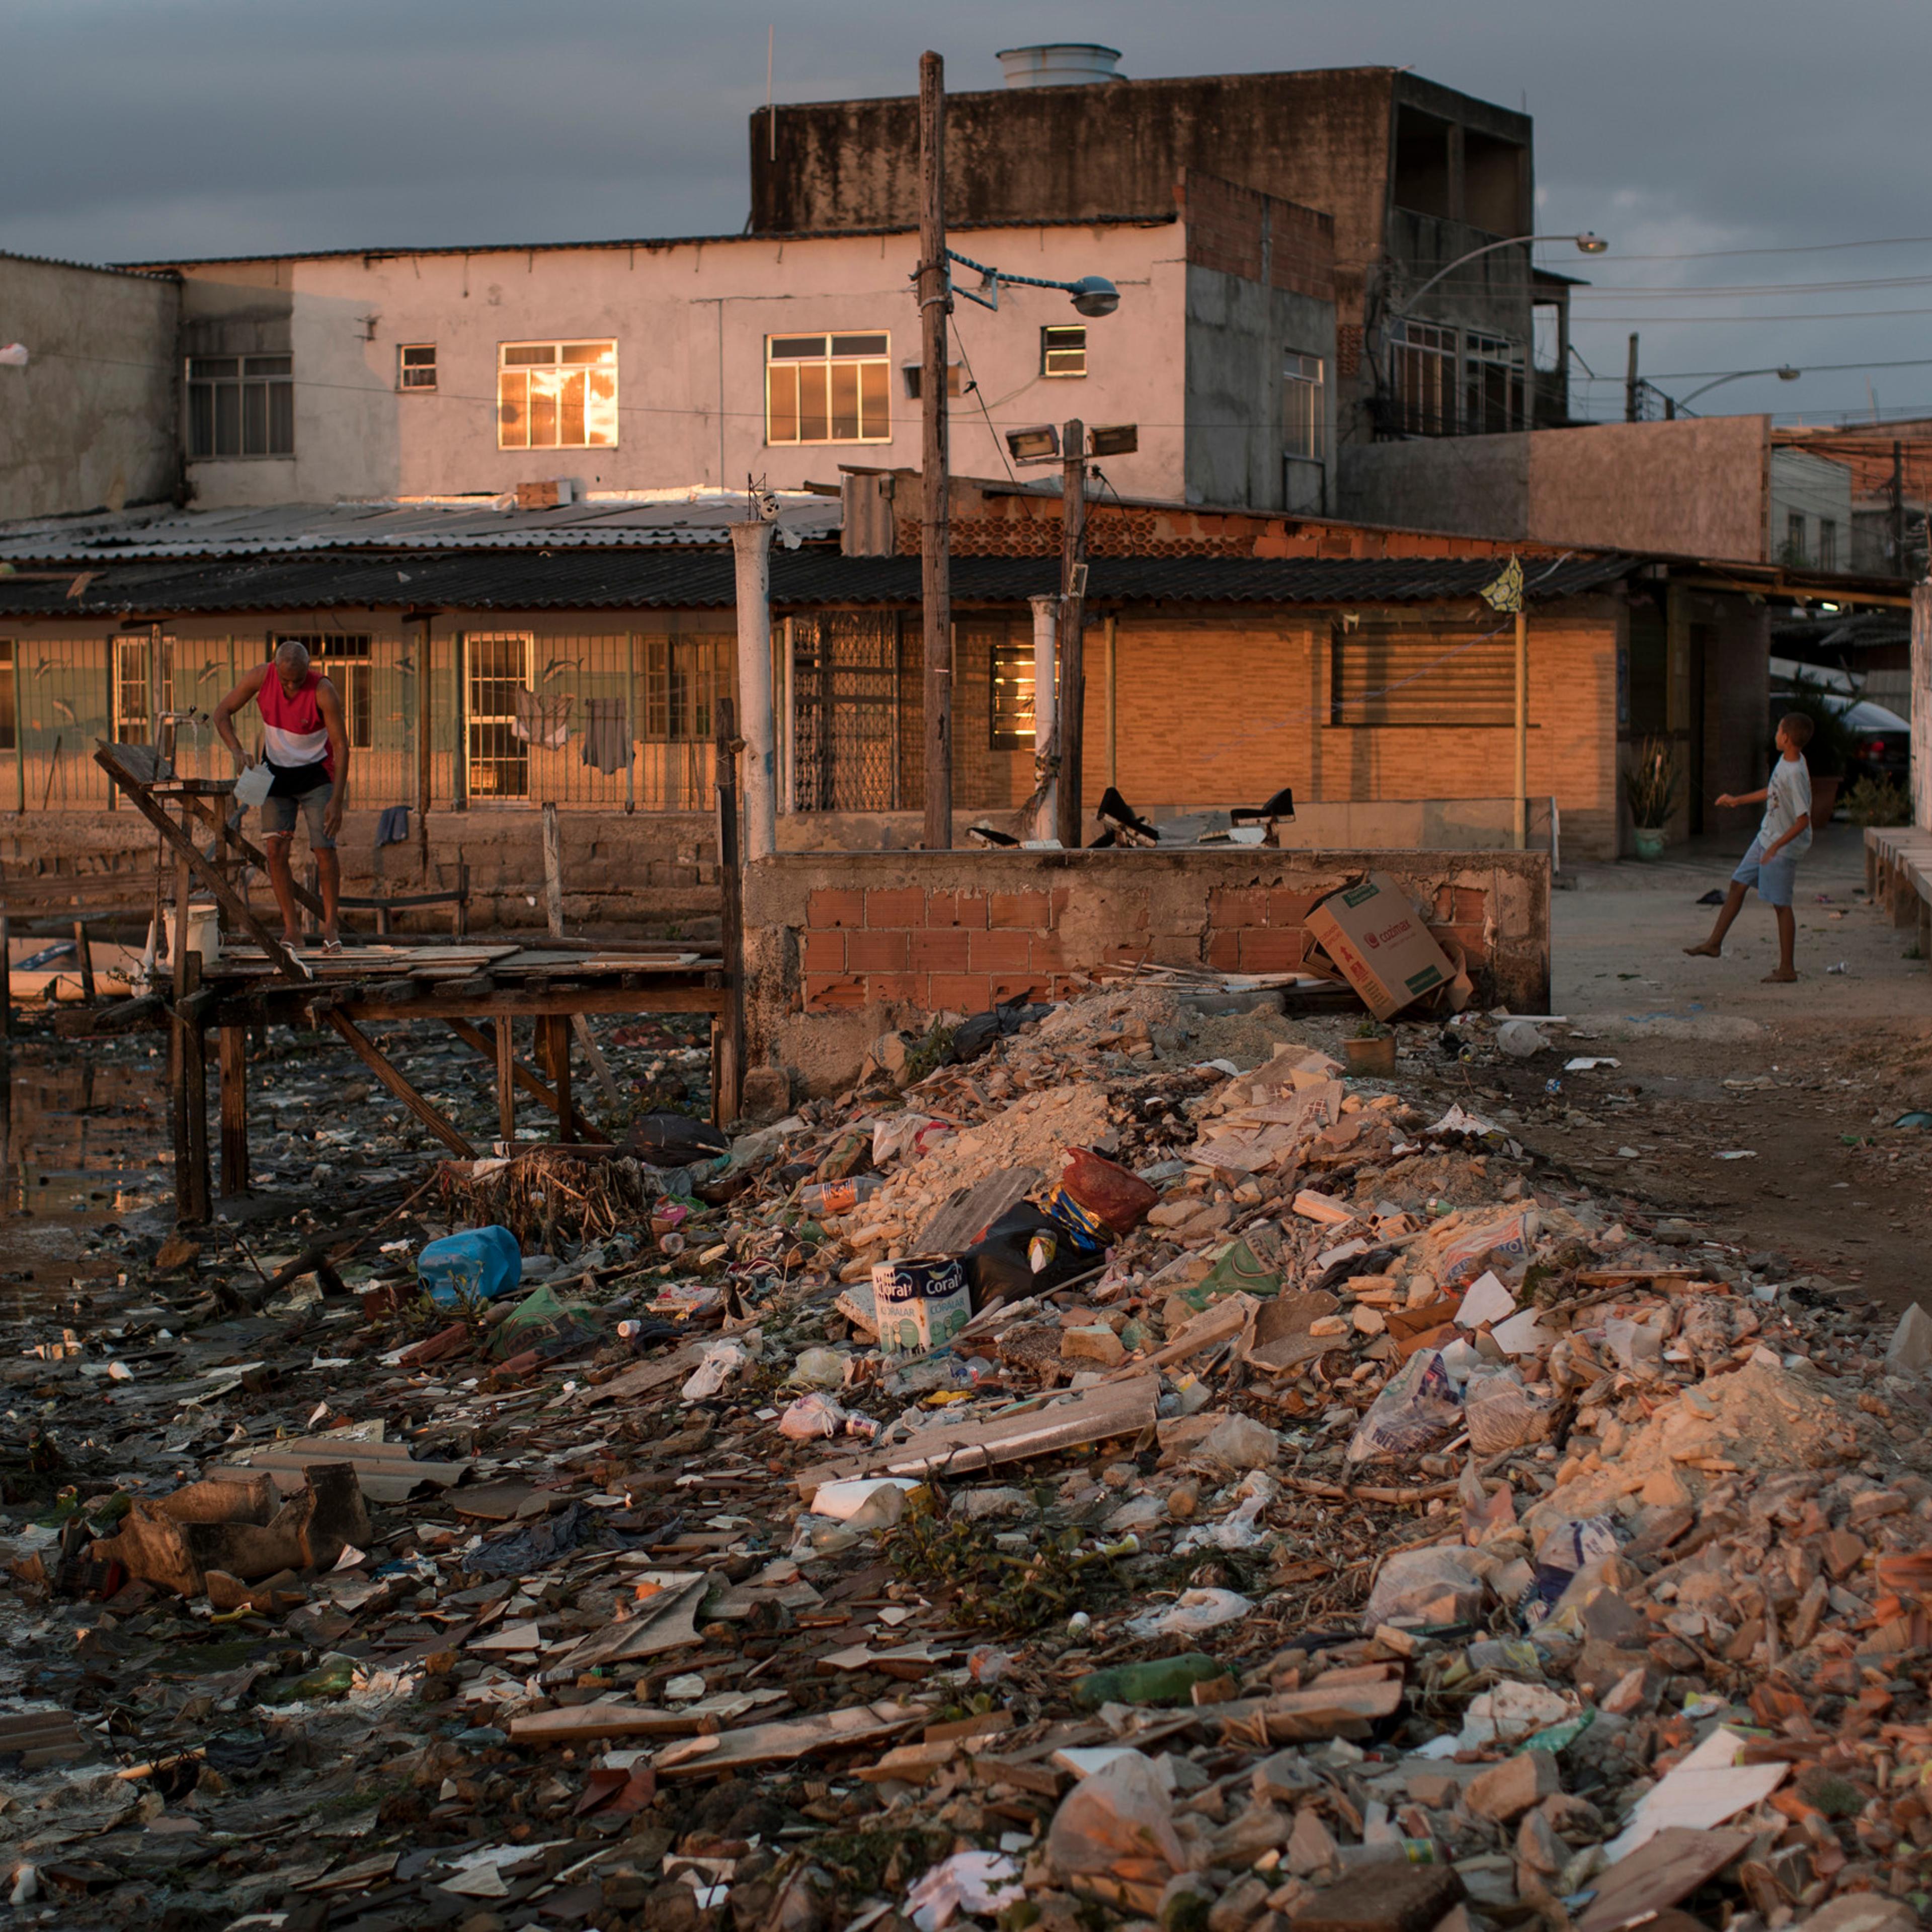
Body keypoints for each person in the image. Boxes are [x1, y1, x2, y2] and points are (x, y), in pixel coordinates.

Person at [212, 641, 349, 951]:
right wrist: (237, 749)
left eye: (297, 681)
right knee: (275, 850)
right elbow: (222, 712)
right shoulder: (259, 677)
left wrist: (337, 800)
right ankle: (292, 930)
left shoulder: (323, 690)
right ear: (275, 669)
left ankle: (330, 927)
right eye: (285, 680)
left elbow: (341, 746)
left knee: (323, 848)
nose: (290, 687)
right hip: (275, 774)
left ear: (308, 670)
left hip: (317, 775)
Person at [1684, 711, 1815, 983]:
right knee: (1737, 885)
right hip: (1766, 837)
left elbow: (1804, 821)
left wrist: (1776, 847)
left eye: (1778, 731)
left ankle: (1787, 969)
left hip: (1782, 848)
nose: (1775, 735)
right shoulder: (1787, 761)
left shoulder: (1796, 773)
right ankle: (1714, 944)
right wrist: (1738, 800)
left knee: (1781, 905)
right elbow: (1772, 791)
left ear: (1787, 737)